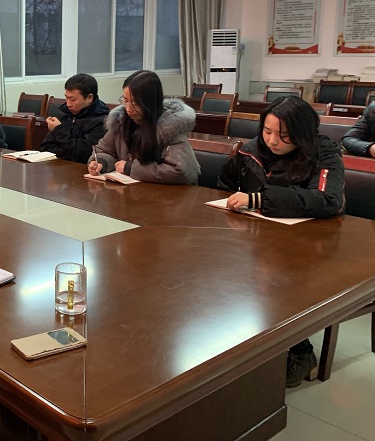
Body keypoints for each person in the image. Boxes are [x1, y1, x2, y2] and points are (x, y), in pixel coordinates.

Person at [217, 95, 345, 388]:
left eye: (284, 135)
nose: (273, 141)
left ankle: (301, 352)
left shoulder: (324, 152)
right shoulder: (253, 150)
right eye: (267, 131)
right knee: (226, 276)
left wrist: (258, 199)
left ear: (302, 133)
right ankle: (248, 345)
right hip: (259, 238)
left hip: (311, 244)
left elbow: (327, 199)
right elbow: (224, 185)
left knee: (277, 279)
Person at [87, 70, 199, 184]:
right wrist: (101, 163)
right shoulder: (121, 121)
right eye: (125, 101)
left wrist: (130, 168)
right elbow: (104, 150)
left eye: (135, 103)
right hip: (133, 190)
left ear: (149, 102)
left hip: (167, 193)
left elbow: (180, 171)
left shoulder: (171, 128)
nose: (128, 109)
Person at [40, 73, 110, 163]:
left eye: (73, 99)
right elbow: (45, 148)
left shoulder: (103, 122)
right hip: (59, 166)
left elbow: (82, 155)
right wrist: (67, 153)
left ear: (89, 98)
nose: (68, 104)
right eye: (66, 98)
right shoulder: (65, 114)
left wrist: (59, 129)